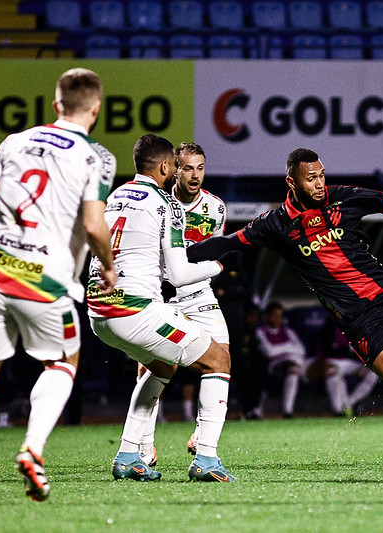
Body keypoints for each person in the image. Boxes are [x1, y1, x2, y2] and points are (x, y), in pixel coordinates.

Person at [187, 148, 383, 471]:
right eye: (311, 178)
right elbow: (229, 242)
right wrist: (180, 255)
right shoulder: (276, 224)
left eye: (322, 175)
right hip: (359, 319)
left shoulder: (345, 198)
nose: (319, 184)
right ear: (292, 182)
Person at [0, 67, 118, 506]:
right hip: (45, 281)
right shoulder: (94, 156)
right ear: (96, 109)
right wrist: (109, 265)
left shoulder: (15, 140)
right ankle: (33, 449)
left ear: (56, 104)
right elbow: (95, 225)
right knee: (63, 363)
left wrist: (4, 240)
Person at [87, 134, 238, 483]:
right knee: (219, 361)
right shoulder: (164, 204)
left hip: (99, 311)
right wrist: (222, 264)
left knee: (161, 366)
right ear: (167, 167)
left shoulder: (116, 196)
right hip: (136, 310)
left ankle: (129, 454)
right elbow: (178, 273)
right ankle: (206, 459)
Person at [137, 142, 230, 465]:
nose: (195, 175)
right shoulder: (158, 203)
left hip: (200, 294)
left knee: (223, 358)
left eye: (200, 168)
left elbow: (214, 249)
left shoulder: (216, 208)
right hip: (163, 296)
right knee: (154, 368)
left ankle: (203, 439)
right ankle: (144, 446)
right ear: (173, 168)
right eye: (188, 168)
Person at [312, 316, 381, 418]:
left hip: (350, 364)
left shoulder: (355, 326)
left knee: (373, 373)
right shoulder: (330, 325)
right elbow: (327, 351)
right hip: (331, 361)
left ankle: (349, 403)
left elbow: (360, 351)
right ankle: (338, 410)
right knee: (332, 372)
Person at [255, 301, 307, 418]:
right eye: (274, 315)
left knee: (297, 370)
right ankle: (287, 411)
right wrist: (289, 347)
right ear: (266, 316)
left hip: (297, 363)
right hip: (274, 366)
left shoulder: (288, 331)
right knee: (292, 369)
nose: (278, 319)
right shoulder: (260, 332)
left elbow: (302, 350)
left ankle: (288, 411)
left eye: (280, 316)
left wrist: (280, 349)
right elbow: (269, 352)